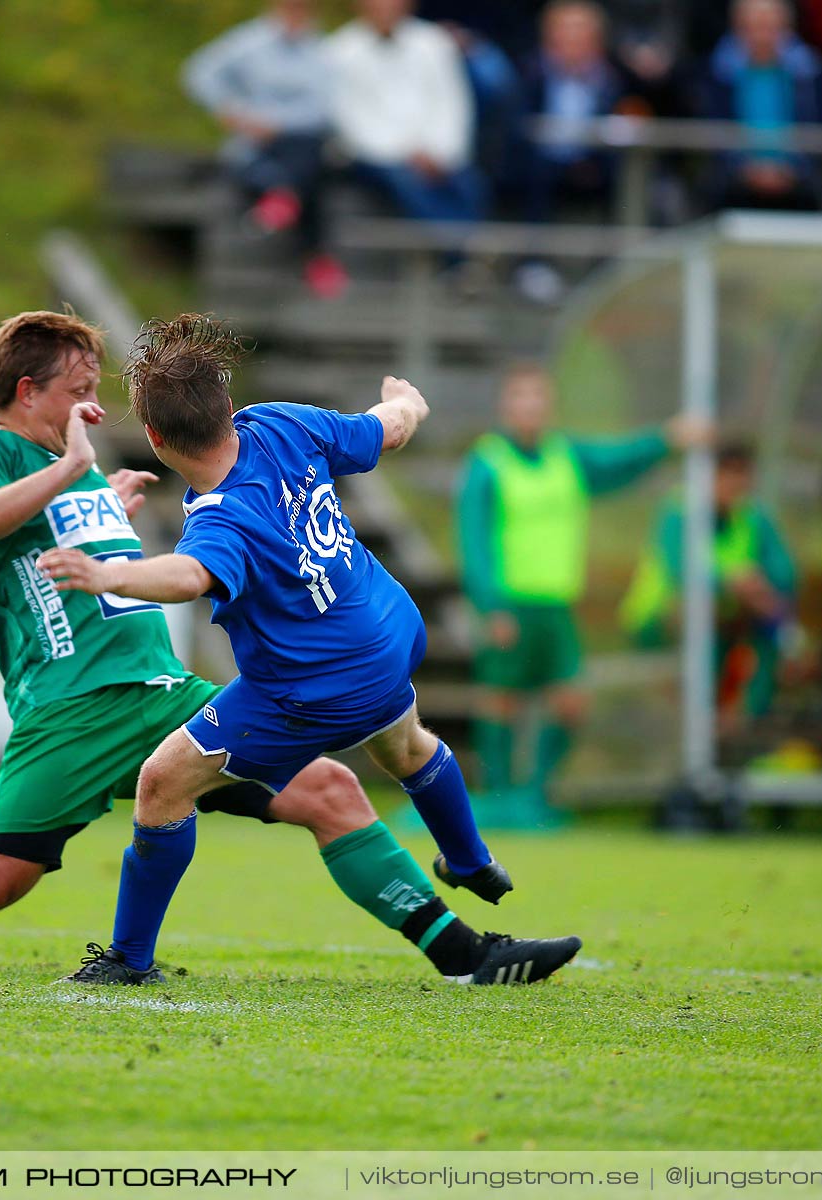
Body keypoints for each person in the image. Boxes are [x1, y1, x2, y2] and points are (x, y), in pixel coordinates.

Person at [0, 312, 475, 978]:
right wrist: (70, 476)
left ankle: (462, 951)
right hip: (71, 710)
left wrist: (101, 501)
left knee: (329, 789)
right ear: (27, 392)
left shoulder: (81, 466)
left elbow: (99, 557)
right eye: (79, 391)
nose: (93, 409)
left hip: (159, 691)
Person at [38, 315, 583, 987]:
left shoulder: (220, 516)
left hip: (314, 687)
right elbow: (389, 427)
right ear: (229, 409)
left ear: (154, 438)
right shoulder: (279, 424)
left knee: (162, 784)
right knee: (405, 748)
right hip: (386, 637)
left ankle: (128, 960)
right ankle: (468, 862)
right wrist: (406, 401)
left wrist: (106, 573)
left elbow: (187, 577)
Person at [457, 363, 706, 826]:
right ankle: (497, 796)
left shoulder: (565, 456)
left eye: (538, 396)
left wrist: (667, 439)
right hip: (511, 603)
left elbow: (619, 460)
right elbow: (474, 539)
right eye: (521, 396)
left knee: (571, 700)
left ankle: (535, 794)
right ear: (505, 405)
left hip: (557, 605)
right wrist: (490, 605)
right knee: (500, 699)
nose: (530, 406)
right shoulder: (487, 463)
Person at [183, 0, 349, 299]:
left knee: (307, 153)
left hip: (301, 142)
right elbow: (198, 72)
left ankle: (280, 197)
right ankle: (315, 255)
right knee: (264, 164)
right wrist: (233, 111)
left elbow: (326, 111)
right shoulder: (248, 42)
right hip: (257, 144)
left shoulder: (322, 52)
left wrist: (277, 125)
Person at [620, 441, 795, 724]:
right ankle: (702, 717)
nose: (734, 483)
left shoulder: (751, 515)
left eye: (742, 474)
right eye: (726, 473)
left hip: (728, 613)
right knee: (703, 608)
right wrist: (731, 581)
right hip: (658, 619)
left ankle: (746, 715)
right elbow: (680, 570)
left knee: (771, 613)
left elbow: (784, 571)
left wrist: (760, 587)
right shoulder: (679, 511)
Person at [513, 1, 635, 303]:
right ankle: (534, 265)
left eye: (580, 34)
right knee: (534, 173)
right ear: (550, 38)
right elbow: (518, 126)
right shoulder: (530, 72)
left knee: (624, 175)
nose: (573, 42)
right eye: (565, 33)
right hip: (542, 163)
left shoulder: (612, 78)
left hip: (592, 162)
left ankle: (608, 270)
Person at [327, 0, 486, 228]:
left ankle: (465, 251)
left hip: (434, 153)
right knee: (407, 183)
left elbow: (450, 104)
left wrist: (440, 153)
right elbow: (353, 121)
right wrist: (406, 154)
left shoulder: (434, 42)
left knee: (469, 183)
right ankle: (459, 253)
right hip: (378, 157)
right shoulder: (340, 51)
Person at [698, 0, 822, 212]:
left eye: (770, 28)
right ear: (738, 29)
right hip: (735, 179)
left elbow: (821, 127)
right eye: (754, 27)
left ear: (787, 29)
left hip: (797, 179)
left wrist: (792, 169)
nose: (762, 36)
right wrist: (745, 169)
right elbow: (712, 129)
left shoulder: (810, 74)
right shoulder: (718, 74)